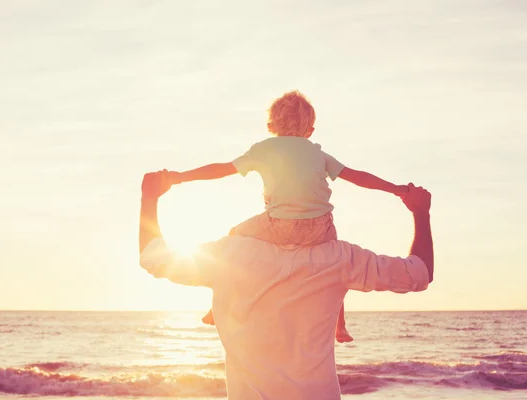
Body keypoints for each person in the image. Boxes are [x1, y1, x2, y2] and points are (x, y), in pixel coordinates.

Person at [139, 171, 433, 400]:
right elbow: (419, 274)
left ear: (268, 199)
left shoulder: (231, 254)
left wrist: (150, 196)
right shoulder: (339, 258)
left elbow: (154, 258)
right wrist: (420, 212)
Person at [167, 90, 409, 343]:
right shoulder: (318, 153)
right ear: (310, 130)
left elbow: (222, 169)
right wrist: (396, 189)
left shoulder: (263, 149)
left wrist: (180, 176)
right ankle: (340, 326)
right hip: (320, 228)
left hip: (279, 225)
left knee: (233, 236)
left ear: (271, 125)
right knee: (338, 262)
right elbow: (358, 176)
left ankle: (215, 305)